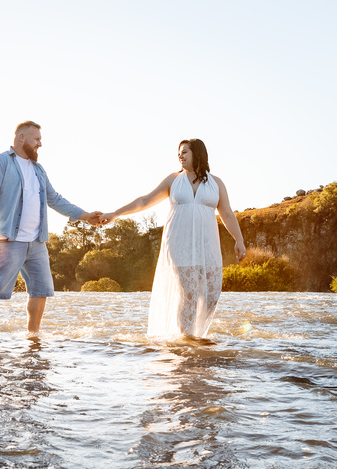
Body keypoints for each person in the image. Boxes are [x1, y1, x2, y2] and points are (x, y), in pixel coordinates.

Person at [101, 139, 247, 340]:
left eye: (185, 152)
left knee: (211, 295)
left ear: (197, 154)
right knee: (189, 296)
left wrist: (239, 240)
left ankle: (197, 335)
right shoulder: (173, 180)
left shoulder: (216, 183)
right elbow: (145, 200)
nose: (180, 156)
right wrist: (115, 213)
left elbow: (227, 214)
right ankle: (186, 339)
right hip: (179, 244)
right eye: (179, 153)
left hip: (207, 246)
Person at [0, 121, 103, 335]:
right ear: (21, 138)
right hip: (9, 240)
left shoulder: (38, 169)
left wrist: (84, 216)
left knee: (40, 290)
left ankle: (33, 337)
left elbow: (54, 199)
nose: (40, 144)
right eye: (36, 139)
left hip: (37, 242)